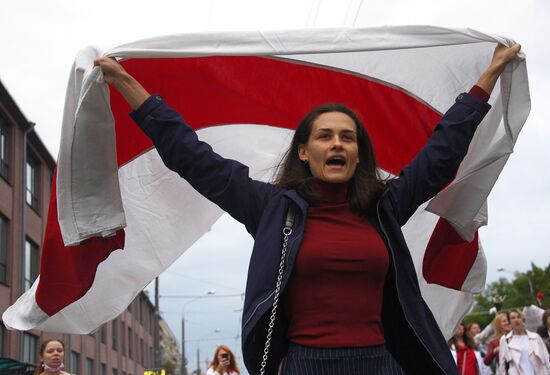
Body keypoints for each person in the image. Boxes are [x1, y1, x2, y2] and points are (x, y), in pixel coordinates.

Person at [95, 43, 519, 375]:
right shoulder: (271, 208)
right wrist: (129, 86)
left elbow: (439, 156)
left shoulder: (385, 206)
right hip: (302, 365)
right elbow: (192, 157)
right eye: (325, 136)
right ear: (304, 150)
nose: (337, 143)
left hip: (383, 364)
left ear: (357, 153)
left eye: (347, 138)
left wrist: (488, 77)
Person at [498, 308, 550, 374]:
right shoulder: (505, 340)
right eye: (513, 318)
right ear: (510, 322)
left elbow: (546, 359)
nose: (516, 320)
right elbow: (502, 366)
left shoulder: (535, 337)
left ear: (523, 320)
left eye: (519, 317)